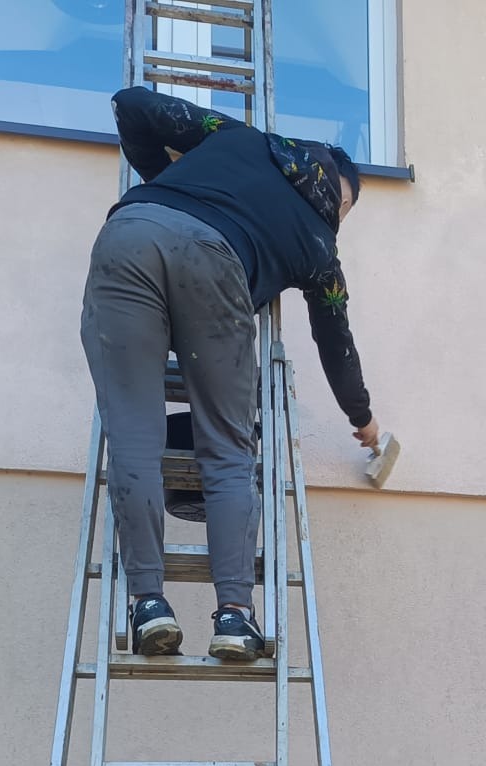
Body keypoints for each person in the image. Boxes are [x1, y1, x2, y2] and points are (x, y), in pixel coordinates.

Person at [81, 86, 383, 661]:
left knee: (134, 439)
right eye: (346, 209)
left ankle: (147, 602)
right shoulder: (320, 244)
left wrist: (164, 186)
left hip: (129, 238)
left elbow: (132, 104)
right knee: (227, 449)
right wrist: (362, 418)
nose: (340, 219)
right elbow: (334, 338)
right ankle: (234, 617)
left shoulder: (245, 141)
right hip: (215, 266)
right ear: (340, 197)